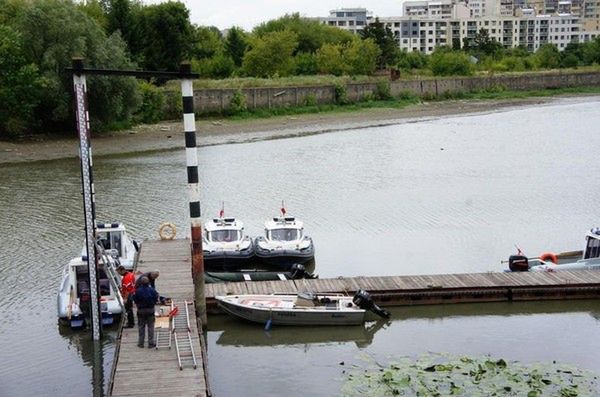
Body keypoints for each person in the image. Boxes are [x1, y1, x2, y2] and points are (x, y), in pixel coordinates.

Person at [132, 276, 158, 348]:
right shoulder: (152, 290)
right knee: (150, 327)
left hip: (141, 310)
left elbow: (135, 299)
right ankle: (151, 343)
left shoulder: (137, 291)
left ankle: (141, 343)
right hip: (150, 310)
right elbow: (156, 298)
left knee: (141, 327)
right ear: (148, 282)